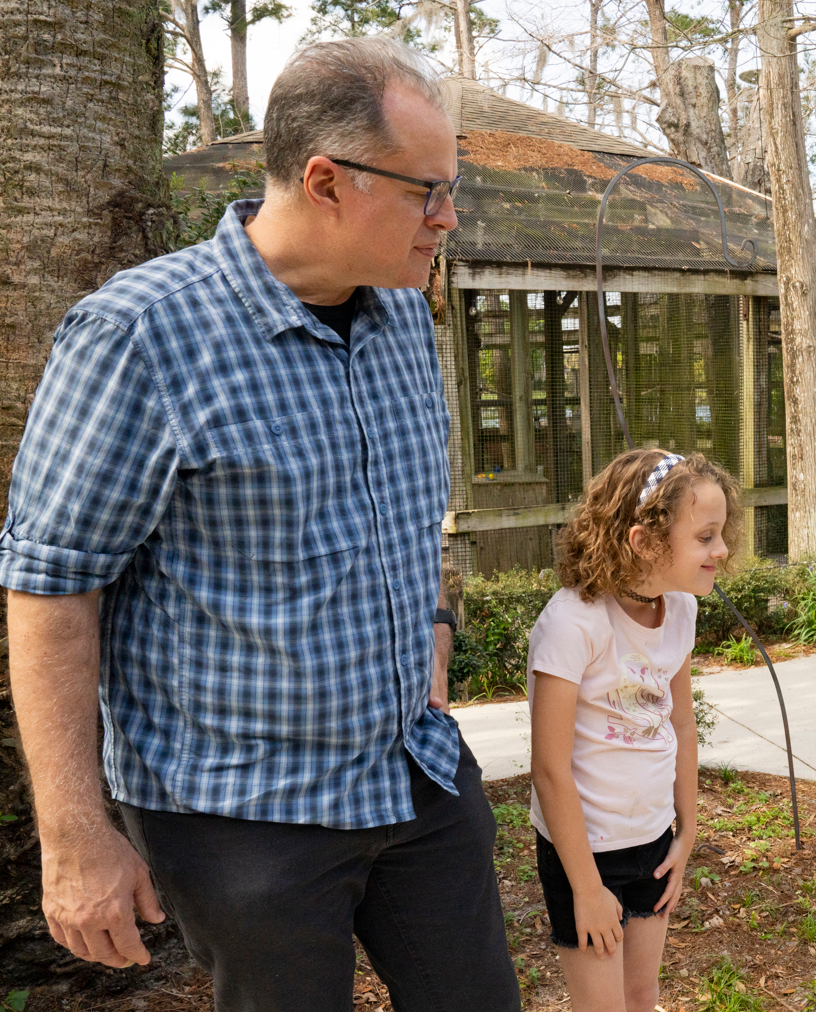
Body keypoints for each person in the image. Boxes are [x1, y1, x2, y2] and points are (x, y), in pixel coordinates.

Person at [2, 38, 521, 1011]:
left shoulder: (404, 315)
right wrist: (74, 839)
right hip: (242, 814)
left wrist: (435, 632)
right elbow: (50, 583)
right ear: (327, 181)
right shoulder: (141, 337)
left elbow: (402, 512)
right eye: (427, 192)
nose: (448, 218)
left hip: (412, 772)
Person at [526, 448, 739, 1011]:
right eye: (705, 537)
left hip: (652, 841)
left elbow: (682, 725)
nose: (722, 550)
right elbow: (549, 770)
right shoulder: (573, 623)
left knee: (641, 998)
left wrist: (686, 832)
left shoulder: (681, 612)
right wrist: (586, 889)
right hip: (584, 855)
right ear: (644, 542)